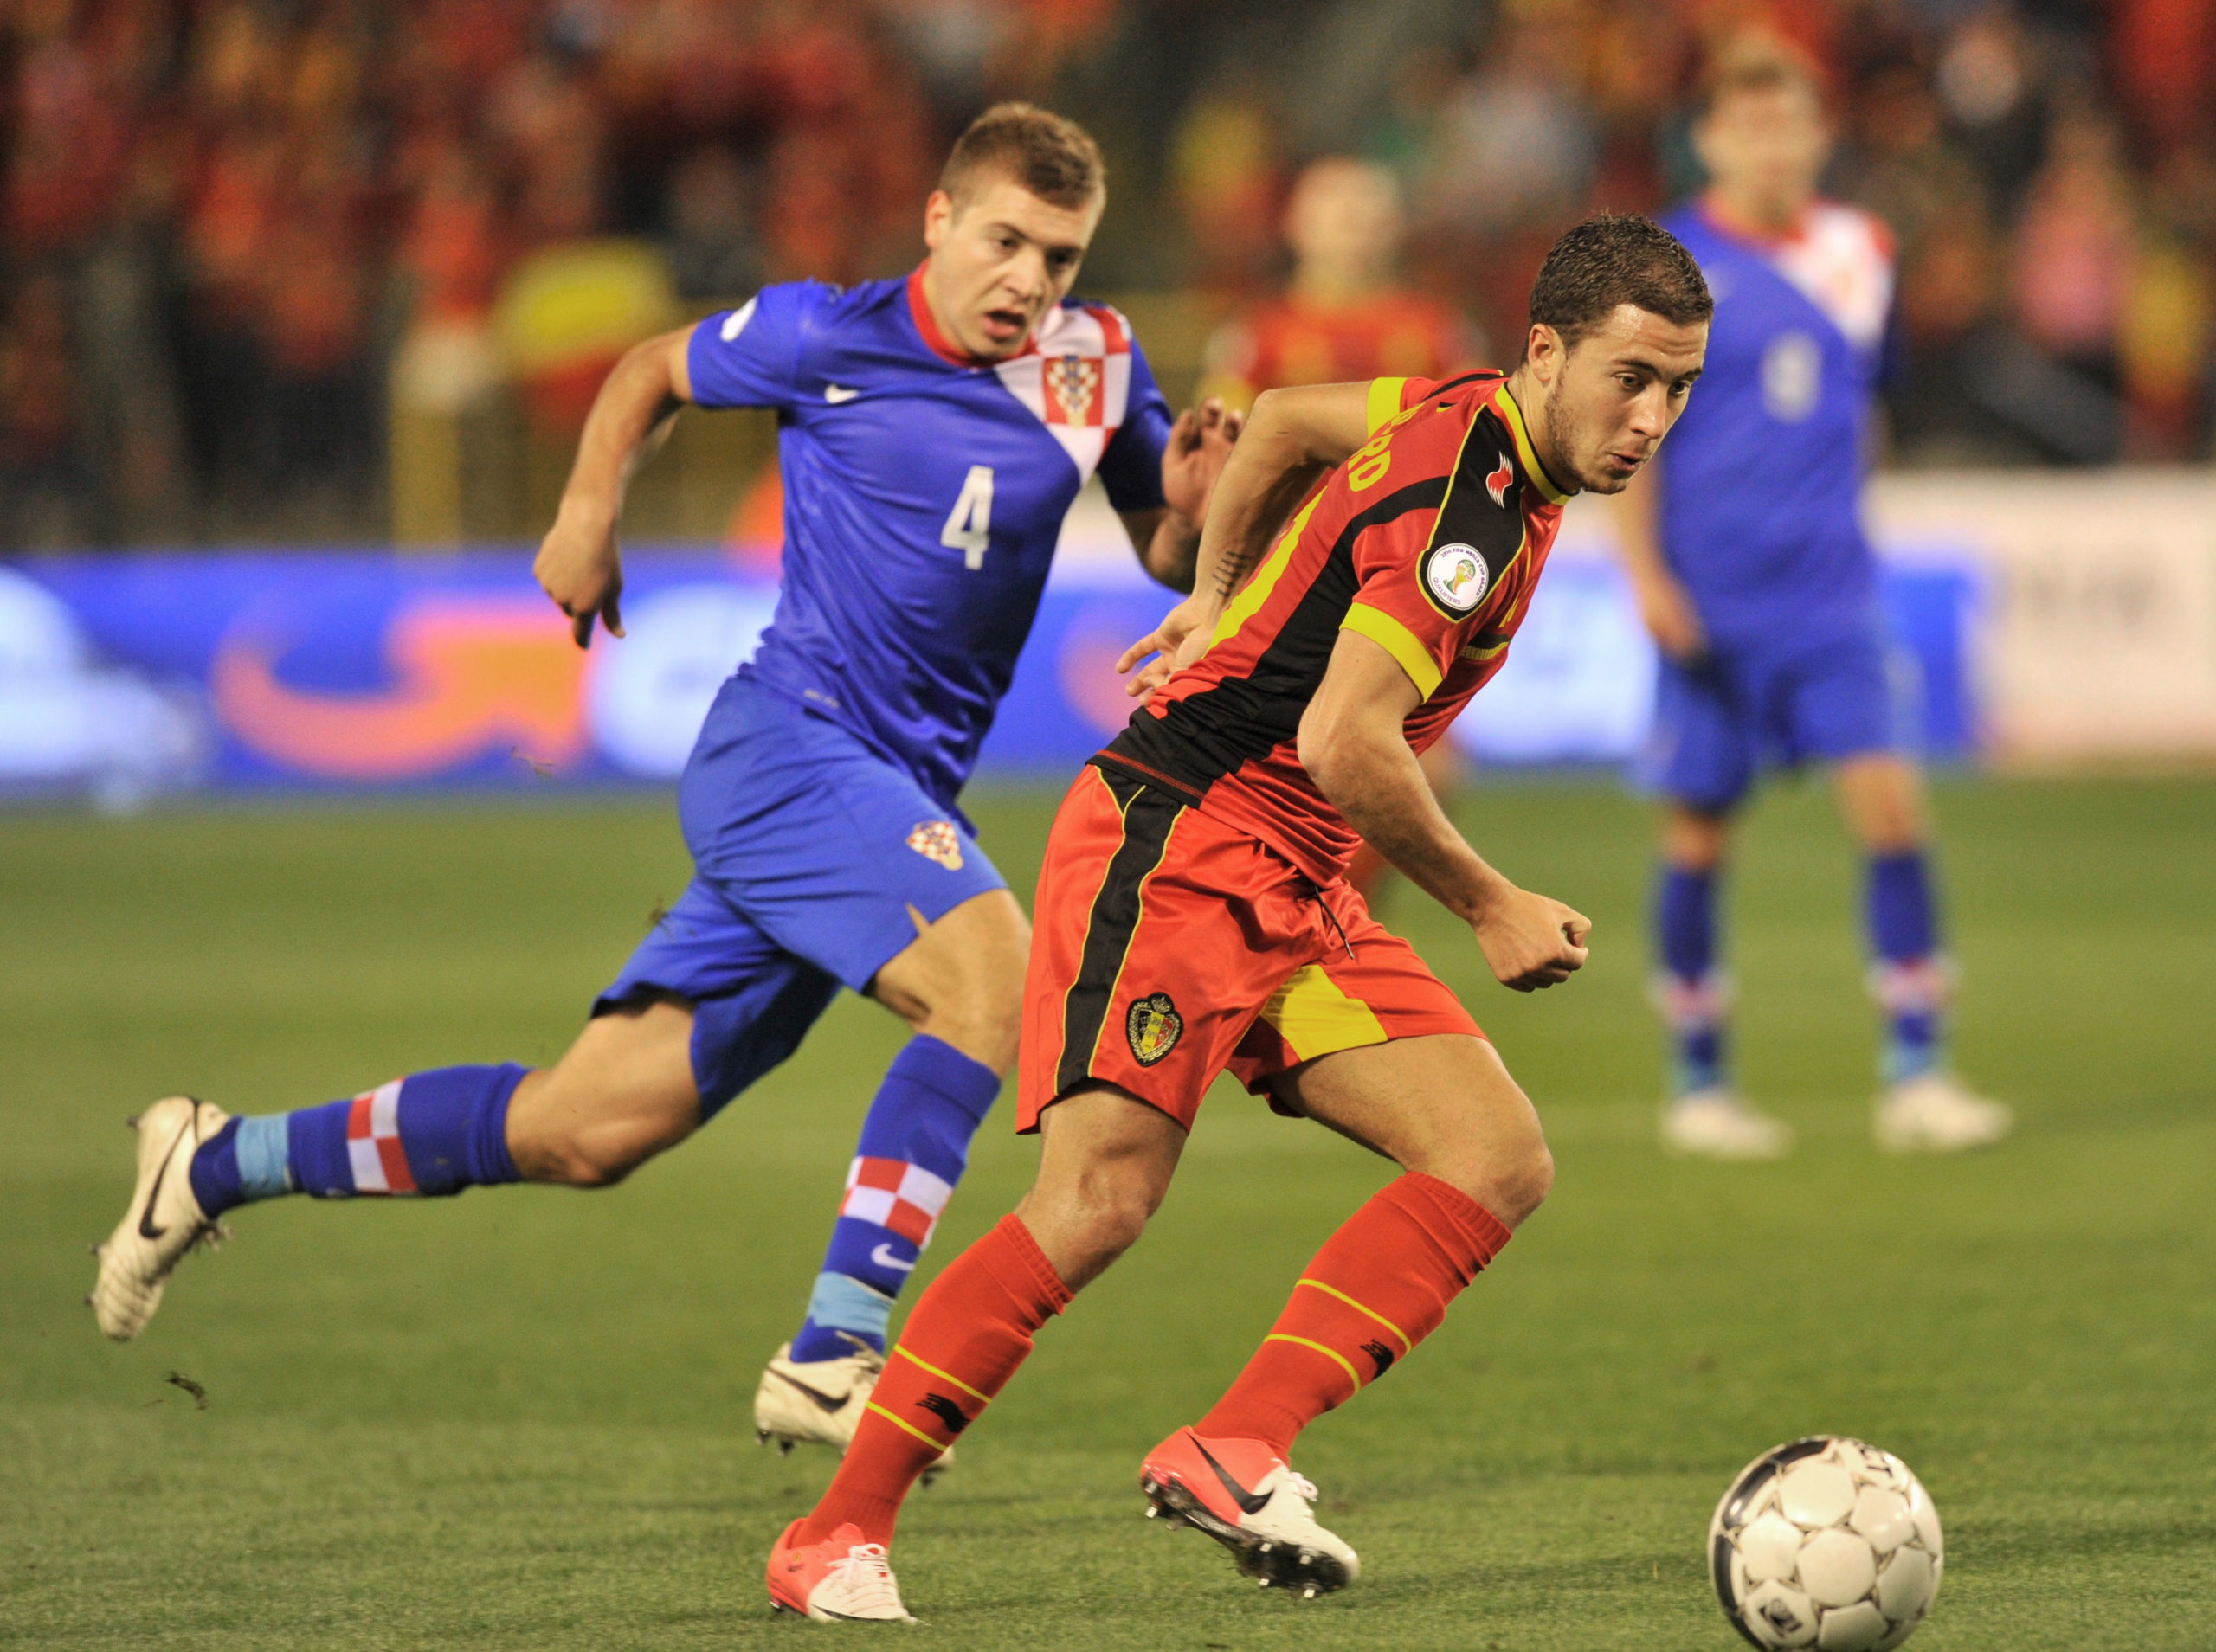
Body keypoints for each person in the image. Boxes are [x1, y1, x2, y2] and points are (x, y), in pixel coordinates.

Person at [90, 106, 1240, 1463]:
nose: (1030, 283)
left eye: (1059, 256)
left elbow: (1165, 547)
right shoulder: (826, 334)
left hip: (883, 797)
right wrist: (587, 514)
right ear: (939, 221)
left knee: (583, 1128)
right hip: (789, 747)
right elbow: (648, 369)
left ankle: (214, 1157)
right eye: (1005, 243)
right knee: (994, 979)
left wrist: (1199, 501)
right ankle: (836, 1348)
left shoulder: (1096, 358)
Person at [762, 214, 1712, 1622]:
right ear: (1548, 352)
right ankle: (833, 1533)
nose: (1653, 418)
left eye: (1679, 386)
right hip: (1182, 841)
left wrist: (1216, 594)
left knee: (1492, 1151)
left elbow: (1275, 421)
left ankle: (1236, 1440)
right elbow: (1346, 736)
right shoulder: (1478, 511)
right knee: (1098, 1199)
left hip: (1296, 877)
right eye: (1630, 377)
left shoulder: (1460, 409)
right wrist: (1489, 901)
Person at [1614, 42, 2013, 1159]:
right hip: (1712, 598)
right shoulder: (1669, 267)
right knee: (1697, 837)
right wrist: (1648, 579)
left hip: (1832, 597)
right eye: (1748, 125)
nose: (1772, 143)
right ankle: (1697, 1084)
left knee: (1891, 812)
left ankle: (1917, 1070)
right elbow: (1628, 440)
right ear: (1709, 139)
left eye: (1789, 122)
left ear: (1817, 134)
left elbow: (1857, 409)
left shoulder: (1859, 249)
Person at [1201, 156, 1479, 900]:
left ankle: (1324, 913)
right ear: (1296, 225)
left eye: (1365, 210)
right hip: (1293, 591)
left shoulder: (1430, 330)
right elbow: (1223, 464)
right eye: (1335, 210)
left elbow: (1479, 446)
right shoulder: (1259, 337)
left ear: (1392, 227)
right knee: (1323, 772)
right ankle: (1309, 917)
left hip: (1399, 589)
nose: (1351, 227)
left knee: (1425, 773)